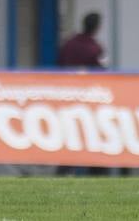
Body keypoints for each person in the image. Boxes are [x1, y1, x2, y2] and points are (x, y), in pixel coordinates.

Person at [57, 12, 109, 176]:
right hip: (88, 98)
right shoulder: (95, 48)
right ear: (97, 27)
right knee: (90, 133)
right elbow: (102, 72)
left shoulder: (69, 44)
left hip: (67, 96)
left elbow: (59, 65)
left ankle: (64, 169)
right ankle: (96, 170)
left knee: (70, 134)